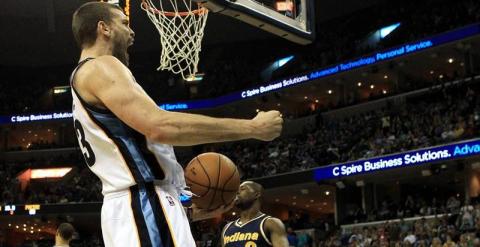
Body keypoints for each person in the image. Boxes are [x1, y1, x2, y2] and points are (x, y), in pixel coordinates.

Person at [71, 2, 282, 247]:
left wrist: (186, 209)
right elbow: (160, 127)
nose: (132, 32)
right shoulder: (101, 66)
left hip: (138, 207)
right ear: (103, 28)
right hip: (143, 205)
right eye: (125, 23)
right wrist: (252, 128)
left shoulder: (83, 79)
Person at [221, 181, 289, 247]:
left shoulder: (271, 223)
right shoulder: (227, 228)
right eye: (237, 190)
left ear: (256, 194)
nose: (237, 192)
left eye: (242, 189)